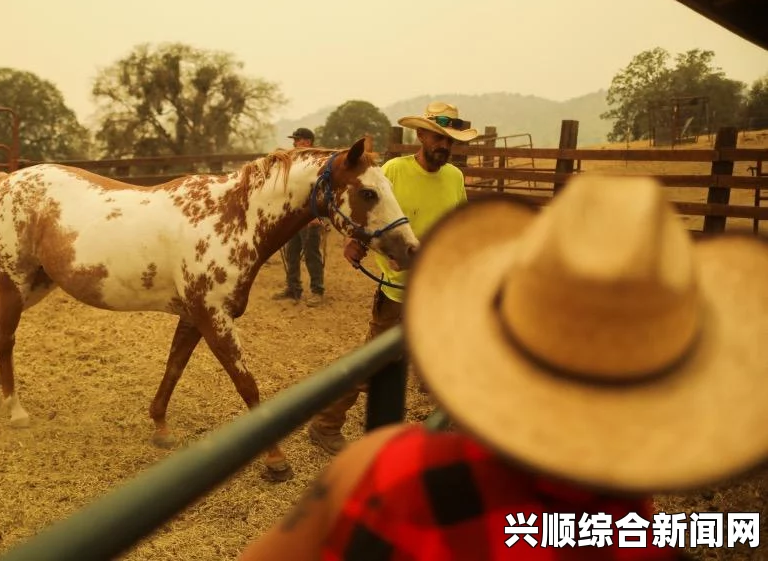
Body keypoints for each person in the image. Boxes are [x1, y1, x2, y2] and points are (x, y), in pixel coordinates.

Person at [239, 174, 768, 560]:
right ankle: (327, 421)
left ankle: (326, 422)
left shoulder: (383, 473)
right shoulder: (645, 545)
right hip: (397, 284)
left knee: (375, 362)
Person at [307, 102, 477, 455]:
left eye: (450, 142)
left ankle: (453, 424)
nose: (444, 146)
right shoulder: (394, 171)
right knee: (376, 363)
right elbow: (371, 210)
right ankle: (325, 424)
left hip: (441, 288)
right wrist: (355, 243)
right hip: (399, 290)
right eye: (437, 138)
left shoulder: (455, 177)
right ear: (421, 136)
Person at [273, 127, 327, 307]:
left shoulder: (317, 162)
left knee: (311, 254)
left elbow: (320, 191)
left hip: (309, 215)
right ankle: (293, 287)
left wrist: (316, 215)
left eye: (298, 140)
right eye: (295, 140)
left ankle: (317, 290)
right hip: (294, 214)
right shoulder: (296, 161)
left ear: (307, 142)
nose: (295, 143)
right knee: (292, 253)